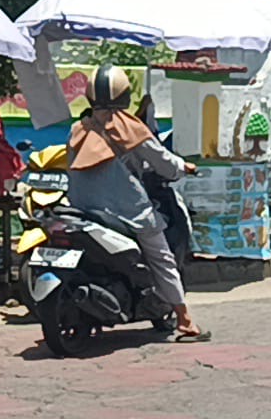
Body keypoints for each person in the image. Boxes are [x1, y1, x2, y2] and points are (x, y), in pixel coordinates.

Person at [65, 65, 209, 342]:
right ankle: (185, 319)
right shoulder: (130, 128)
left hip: (82, 208)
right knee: (161, 257)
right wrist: (183, 167)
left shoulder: (78, 128)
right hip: (126, 210)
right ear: (124, 94)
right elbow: (163, 162)